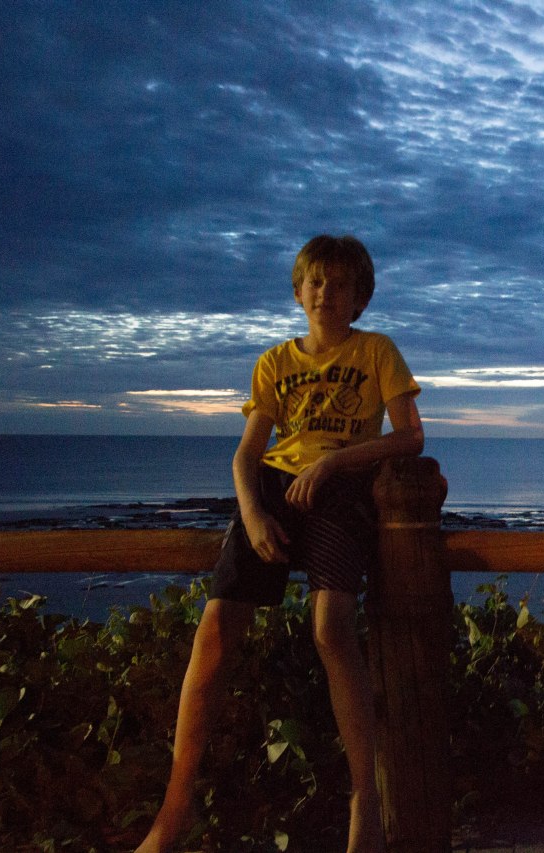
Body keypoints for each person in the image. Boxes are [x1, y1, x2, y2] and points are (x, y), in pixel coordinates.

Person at [136, 235, 424, 853]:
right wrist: (252, 515)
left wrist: (335, 461)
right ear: (298, 292)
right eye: (315, 282)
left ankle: (365, 801)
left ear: (360, 298)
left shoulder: (376, 351)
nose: (326, 293)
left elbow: (410, 437)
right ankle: (174, 810)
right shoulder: (273, 362)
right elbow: (247, 455)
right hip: (273, 489)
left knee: (331, 629)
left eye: (340, 284)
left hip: (342, 489)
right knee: (215, 632)